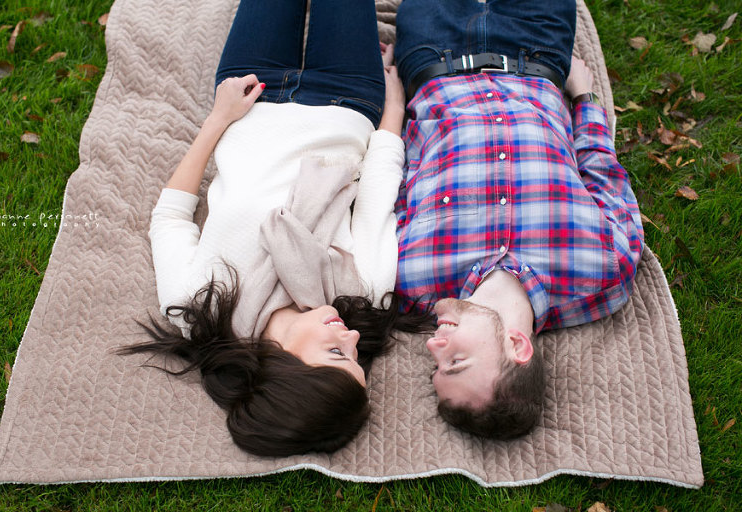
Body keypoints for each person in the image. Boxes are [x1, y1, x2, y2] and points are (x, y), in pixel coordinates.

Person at [120, 0, 424, 457]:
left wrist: (218, 118)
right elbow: (378, 191)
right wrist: (394, 104)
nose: (354, 338)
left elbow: (170, 218)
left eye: (338, 354)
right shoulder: (364, 295)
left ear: (286, 368)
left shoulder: (198, 309)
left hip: (249, 96)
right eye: (358, 357)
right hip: (348, 99)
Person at [392, 0, 645, 439]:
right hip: (538, 50)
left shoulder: (411, 284)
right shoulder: (606, 272)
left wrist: (390, 101)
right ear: (517, 345)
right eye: (455, 361)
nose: (433, 346)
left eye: (436, 365)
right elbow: (602, 170)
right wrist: (583, 96)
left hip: (432, 58)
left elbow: (393, 176)